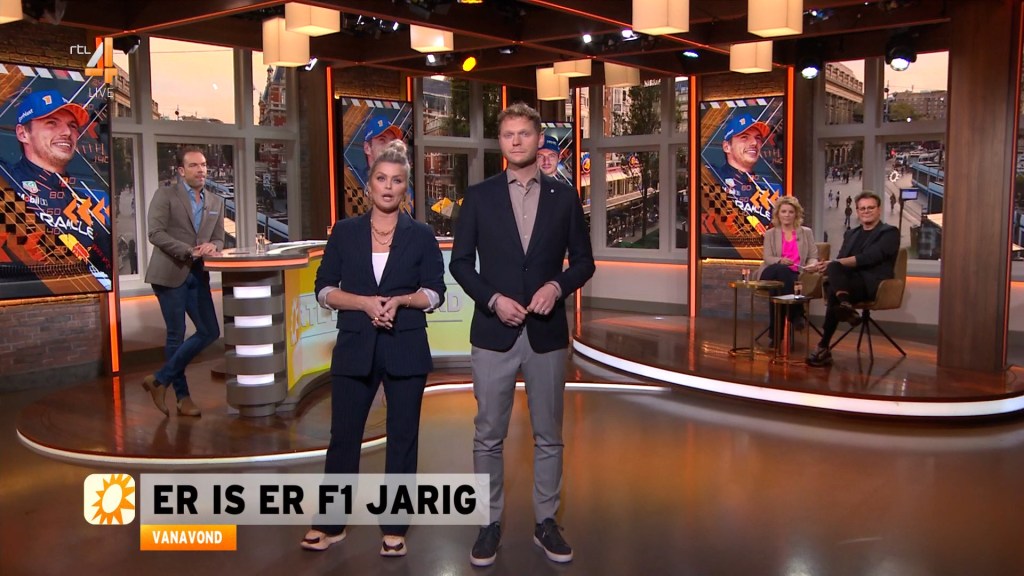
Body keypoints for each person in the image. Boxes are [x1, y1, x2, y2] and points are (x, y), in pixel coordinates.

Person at [450, 102, 595, 567]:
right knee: (488, 434)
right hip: (493, 332)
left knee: (549, 434)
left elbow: (584, 262)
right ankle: (488, 523)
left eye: (524, 133)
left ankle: (546, 522)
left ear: (539, 140)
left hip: (546, 335)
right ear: (501, 142)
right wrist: (493, 299)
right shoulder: (479, 197)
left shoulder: (564, 197)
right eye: (508, 134)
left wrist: (557, 286)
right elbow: (459, 264)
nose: (516, 141)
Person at [300, 140, 445, 557]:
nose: (388, 186)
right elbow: (324, 288)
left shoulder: (421, 236)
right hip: (355, 345)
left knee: (402, 438)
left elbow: (435, 292)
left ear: (405, 188)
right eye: (381, 178)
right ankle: (330, 523)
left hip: (406, 345)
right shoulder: (345, 233)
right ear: (369, 184)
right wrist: (363, 303)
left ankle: (395, 527)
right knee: (343, 436)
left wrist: (401, 301)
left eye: (397, 180)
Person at [142, 147, 224, 417]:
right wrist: (188, 250)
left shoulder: (215, 201)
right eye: (193, 165)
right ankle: (182, 397)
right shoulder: (165, 195)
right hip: (169, 273)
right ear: (181, 170)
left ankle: (159, 380)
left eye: (203, 165)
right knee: (176, 334)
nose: (201, 170)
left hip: (198, 275)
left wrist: (213, 245)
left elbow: (219, 238)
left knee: (210, 331)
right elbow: (155, 233)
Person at [1, 89, 112, 288]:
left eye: (72, 125)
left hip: (79, 300)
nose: (67, 132)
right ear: (23, 133)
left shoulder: (88, 206)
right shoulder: (6, 181)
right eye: (51, 123)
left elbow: (105, 273)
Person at [804, 191, 899, 366]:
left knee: (833, 285)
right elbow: (840, 260)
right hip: (848, 284)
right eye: (862, 208)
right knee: (834, 273)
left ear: (879, 210)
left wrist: (833, 264)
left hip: (873, 283)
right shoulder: (851, 234)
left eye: (870, 208)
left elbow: (870, 257)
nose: (866, 211)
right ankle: (844, 307)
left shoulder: (889, 233)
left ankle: (825, 344)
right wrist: (821, 266)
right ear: (857, 211)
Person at [756, 196, 818, 344]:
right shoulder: (771, 233)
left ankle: (775, 337)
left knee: (777, 288)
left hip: (793, 275)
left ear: (796, 214)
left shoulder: (806, 232)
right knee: (781, 270)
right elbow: (767, 258)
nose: (787, 215)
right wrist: (780, 260)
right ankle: (796, 314)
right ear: (778, 214)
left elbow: (813, 256)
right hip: (770, 271)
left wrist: (811, 265)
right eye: (783, 211)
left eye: (791, 212)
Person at [712, 112, 778, 229]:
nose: (754, 143)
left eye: (758, 138)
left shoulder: (768, 195)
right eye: (744, 137)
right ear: (727, 146)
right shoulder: (711, 176)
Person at [361, 113, 413, 214]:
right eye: (382, 140)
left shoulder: (405, 187)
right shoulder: (354, 178)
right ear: (367, 148)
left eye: (392, 141)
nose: (389, 146)